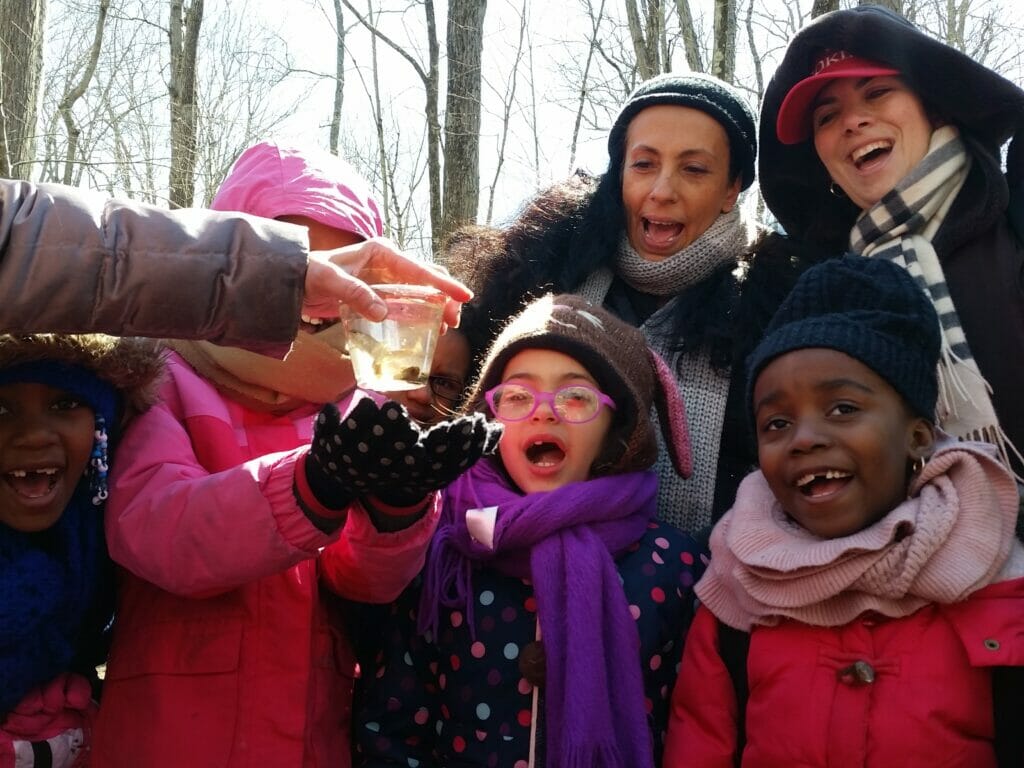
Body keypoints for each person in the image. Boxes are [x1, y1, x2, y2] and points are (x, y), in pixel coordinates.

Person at [89, 142, 501, 768]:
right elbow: (155, 531)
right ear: (227, 263)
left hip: (311, 734)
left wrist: (397, 504)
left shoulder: (350, 400)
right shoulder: (167, 374)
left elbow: (363, 581)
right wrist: (311, 486)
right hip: (168, 734)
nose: (311, 289)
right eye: (291, 260)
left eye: (339, 267)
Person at [664, 255, 1024, 767]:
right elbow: (699, 740)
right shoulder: (736, 590)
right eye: (777, 423)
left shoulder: (996, 577)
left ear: (917, 436)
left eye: (843, 410)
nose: (805, 439)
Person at [349, 293, 706, 767]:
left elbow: (697, 728)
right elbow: (391, 722)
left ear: (619, 425)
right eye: (517, 396)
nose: (543, 412)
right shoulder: (450, 552)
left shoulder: (674, 565)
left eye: (575, 396)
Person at [446, 72, 760, 533]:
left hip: (710, 587)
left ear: (732, 188)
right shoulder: (539, 274)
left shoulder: (769, 304)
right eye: (644, 164)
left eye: (694, 169)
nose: (662, 190)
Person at [758, 4, 1024, 474]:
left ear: (932, 106)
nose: (853, 121)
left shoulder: (1014, 219)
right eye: (826, 116)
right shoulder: (820, 294)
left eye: (877, 92)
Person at [0, 177, 470, 355]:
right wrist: (313, 486)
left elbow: (25, 243)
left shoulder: (355, 403)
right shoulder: (165, 386)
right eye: (296, 241)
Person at [0, 332, 163, 767]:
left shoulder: (103, 534)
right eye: (0, 409)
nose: (34, 435)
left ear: (103, 425)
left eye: (64, 404)